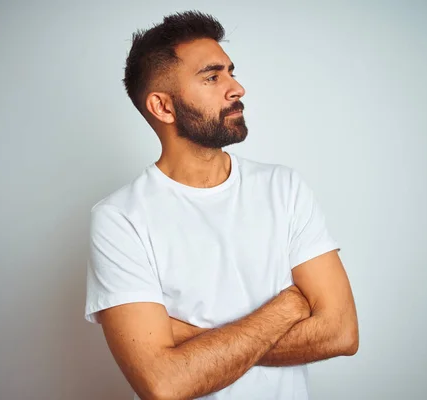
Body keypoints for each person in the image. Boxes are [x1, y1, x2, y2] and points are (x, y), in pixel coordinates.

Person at [85, 10, 359, 400]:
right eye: (212, 77)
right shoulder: (119, 219)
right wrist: (286, 308)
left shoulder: (284, 188)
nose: (237, 88)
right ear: (163, 107)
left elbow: (341, 332)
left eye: (231, 72)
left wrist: (187, 339)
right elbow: (163, 384)